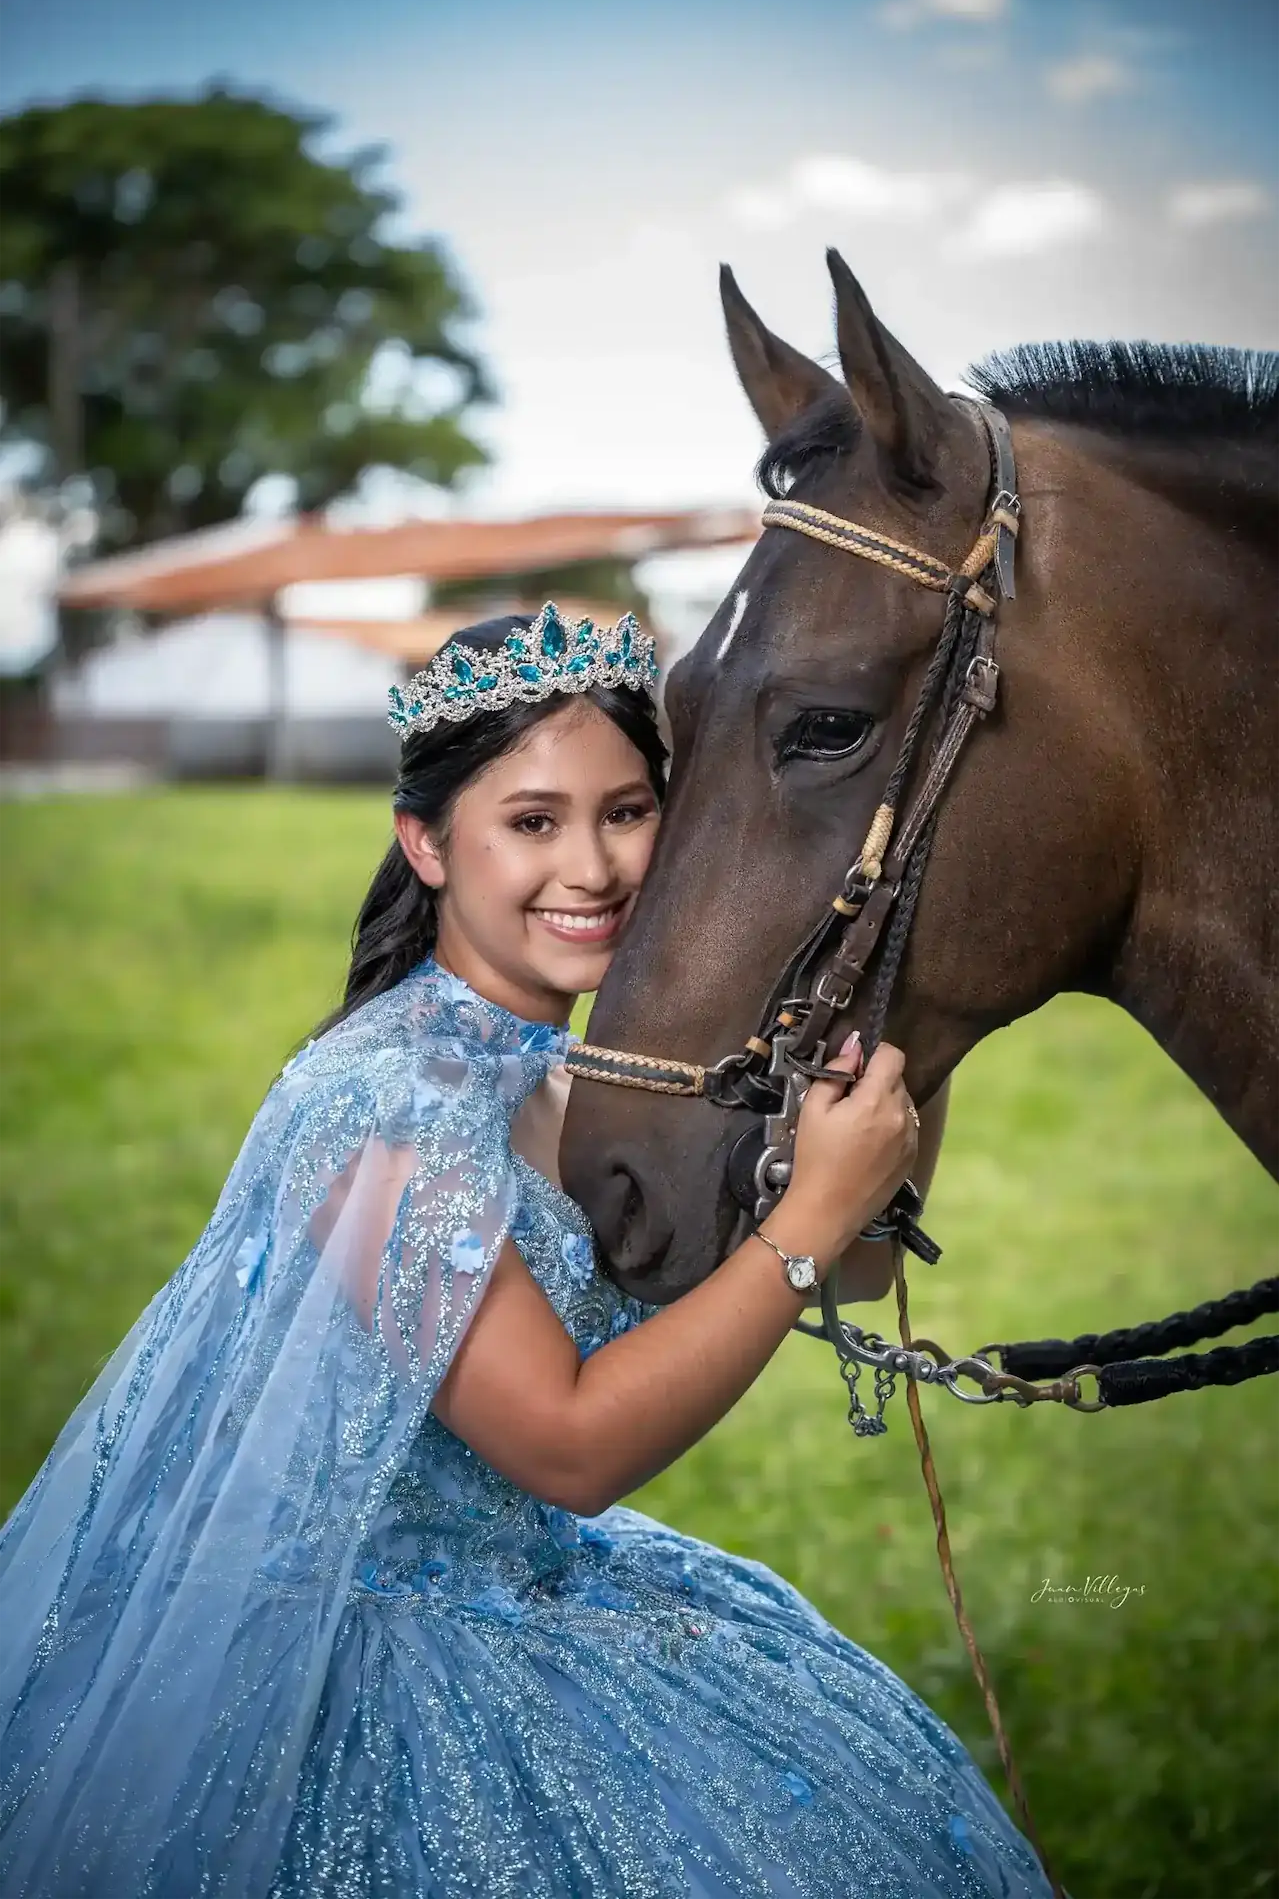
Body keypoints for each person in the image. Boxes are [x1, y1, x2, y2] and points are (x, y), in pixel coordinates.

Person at [0, 606, 1052, 1898]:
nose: (595, 867)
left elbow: (854, 1273)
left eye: (625, 811)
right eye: (533, 822)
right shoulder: (388, 1104)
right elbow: (567, 1449)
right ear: (426, 844)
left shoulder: (585, 1077)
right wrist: (806, 1217)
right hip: (379, 1653)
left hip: (539, 1586)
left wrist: (908, 1044)